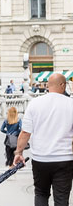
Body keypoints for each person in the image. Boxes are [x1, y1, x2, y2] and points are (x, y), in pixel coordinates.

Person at [14, 72, 73, 206]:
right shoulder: (71, 104)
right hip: (64, 158)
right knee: (62, 198)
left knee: (41, 193)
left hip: (40, 158)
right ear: (62, 85)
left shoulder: (35, 103)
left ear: (48, 85)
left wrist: (19, 152)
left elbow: (25, 132)